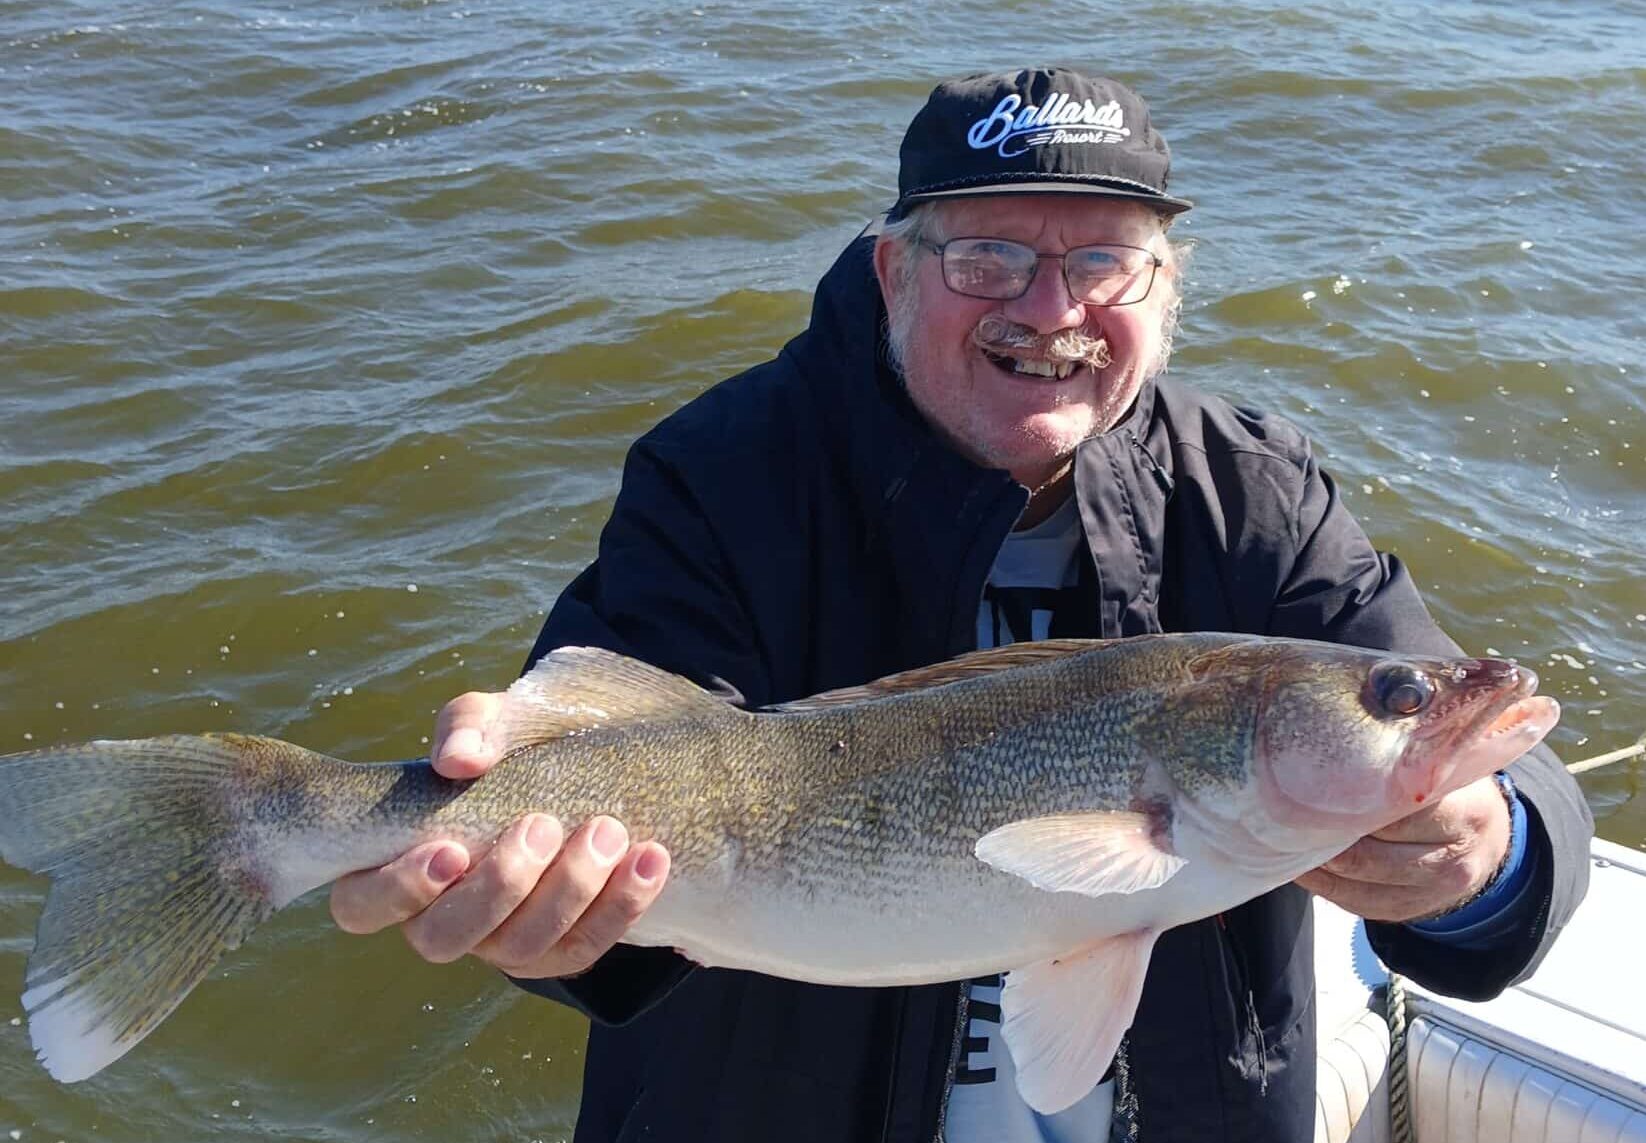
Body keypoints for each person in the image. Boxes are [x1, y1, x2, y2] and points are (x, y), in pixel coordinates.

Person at [328, 68, 1593, 1142]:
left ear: (1166, 290)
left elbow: (1517, 805)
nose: (1050, 311)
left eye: (1105, 260)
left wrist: (1487, 856)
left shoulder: (1252, 493)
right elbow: (629, 810)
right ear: (892, 272)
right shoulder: (722, 472)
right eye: (988, 256)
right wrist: (561, 929)